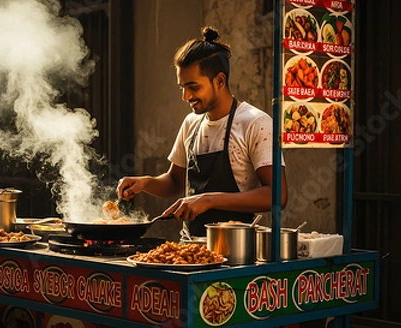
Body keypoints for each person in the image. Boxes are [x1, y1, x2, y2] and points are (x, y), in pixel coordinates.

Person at [117, 26, 288, 236]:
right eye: (182, 87)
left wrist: (208, 200)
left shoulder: (255, 123)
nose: (185, 96)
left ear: (220, 81)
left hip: (237, 251)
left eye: (193, 87)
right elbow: (175, 183)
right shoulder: (191, 123)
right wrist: (145, 183)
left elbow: (277, 196)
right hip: (191, 247)